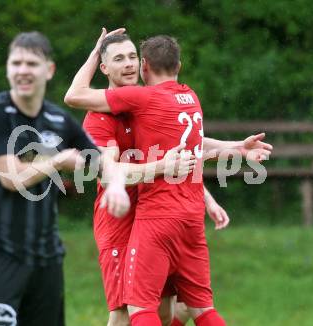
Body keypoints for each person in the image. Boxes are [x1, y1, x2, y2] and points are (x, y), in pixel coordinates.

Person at [65, 29, 272, 326]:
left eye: (132, 57)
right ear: (104, 67)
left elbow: (189, 142)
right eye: (118, 58)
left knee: (169, 310)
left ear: (143, 63)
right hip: (120, 220)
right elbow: (112, 175)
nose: (127, 64)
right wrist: (161, 167)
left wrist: (231, 156)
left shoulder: (144, 101)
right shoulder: (99, 116)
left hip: (155, 214)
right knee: (124, 313)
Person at [0, 31, 130, 326]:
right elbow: (11, 177)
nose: (23, 70)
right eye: (16, 63)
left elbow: (103, 160)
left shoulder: (58, 120)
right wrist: (57, 160)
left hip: (47, 259)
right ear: (7, 68)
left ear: (49, 70)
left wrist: (117, 185)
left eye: (31, 63)